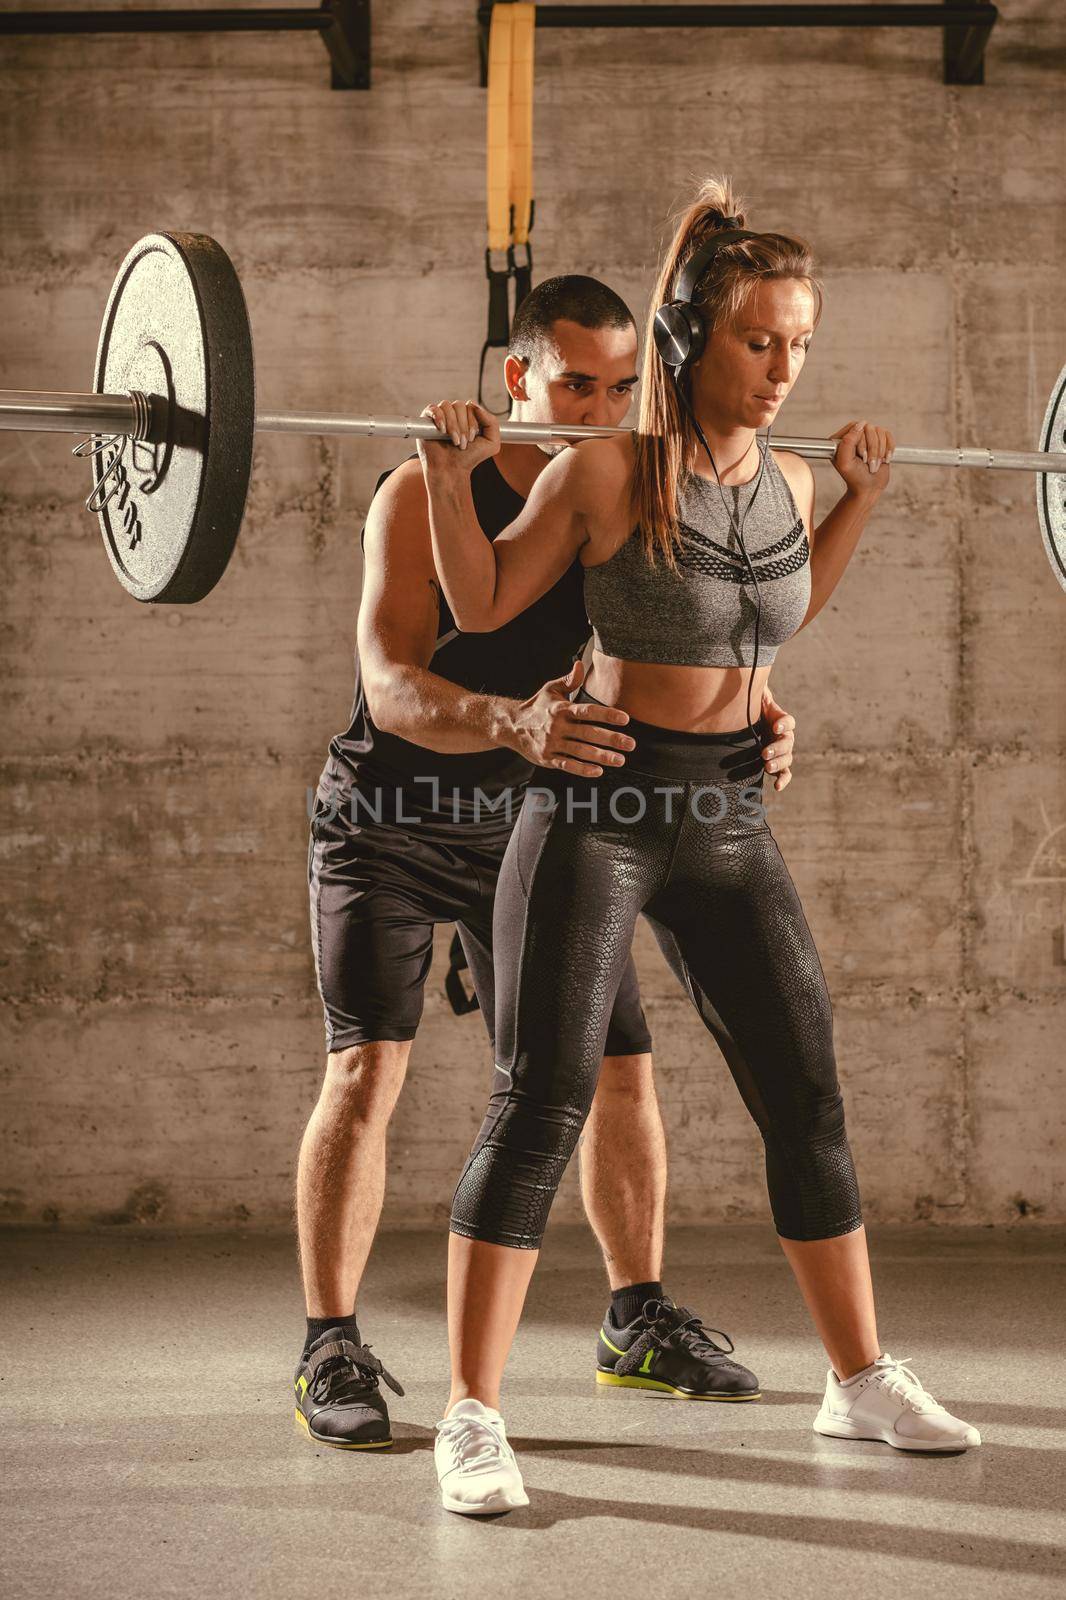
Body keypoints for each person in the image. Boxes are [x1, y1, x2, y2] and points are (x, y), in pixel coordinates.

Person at [419, 175, 981, 1516]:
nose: (784, 368)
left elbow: (771, 622)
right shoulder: (604, 468)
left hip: (729, 813)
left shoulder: (786, 475)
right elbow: (481, 595)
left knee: (807, 1095)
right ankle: (470, 1415)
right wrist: (449, 479)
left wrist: (851, 500)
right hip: (602, 808)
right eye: (756, 341)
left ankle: (854, 1382)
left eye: (799, 343)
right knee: (539, 1100)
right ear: (695, 343)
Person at [294, 271, 801, 1453]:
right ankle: (329, 1340)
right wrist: (511, 722)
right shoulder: (423, 498)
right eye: (576, 381)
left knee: (619, 1071)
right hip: (392, 821)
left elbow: (698, 646)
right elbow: (390, 684)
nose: (601, 404)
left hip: (542, 829)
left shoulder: (621, 492)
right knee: (368, 1071)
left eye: (626, 386)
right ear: (516, 376)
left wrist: (759, 718)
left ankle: (635, 1320)